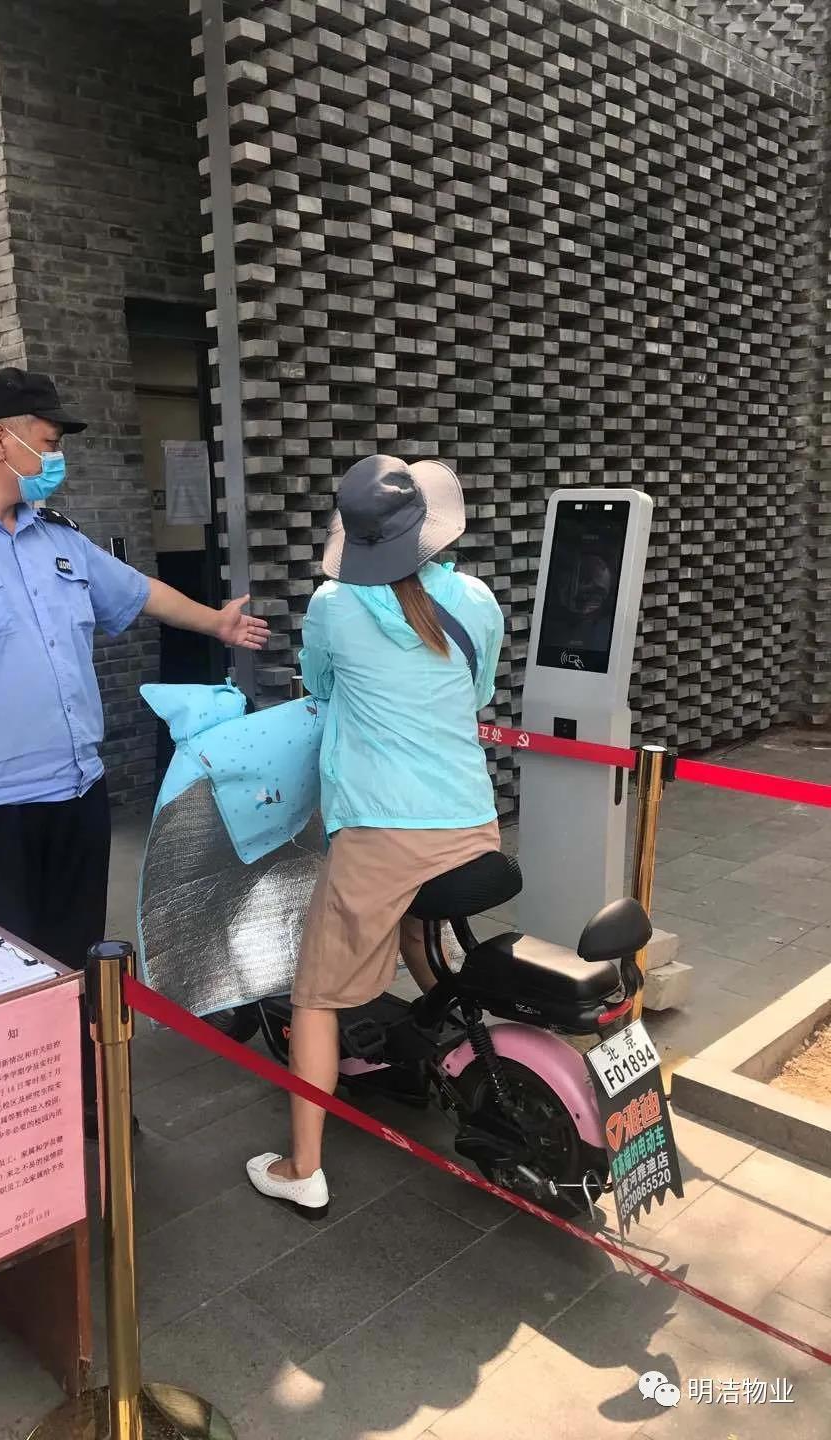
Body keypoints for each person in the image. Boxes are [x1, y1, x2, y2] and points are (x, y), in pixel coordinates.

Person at [0, 368, 266, 1119]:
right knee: (0, 984)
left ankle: (90, 1109)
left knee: (80, 962)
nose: (56, 458)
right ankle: (20, 1130)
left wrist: (216, 621)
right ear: (0, 441)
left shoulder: (59, 541)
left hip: (77, 795)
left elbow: (139, 592)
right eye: (47, 442)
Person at [246, 454, 504, 1216]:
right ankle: (470, 1052)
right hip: (471, 823)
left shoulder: (335, 608)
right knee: (420, 935)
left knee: (315, 995)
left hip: (382, 836)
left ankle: (303, 1167)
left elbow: (321, 686)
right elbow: (477, 691)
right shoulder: (477, 599)